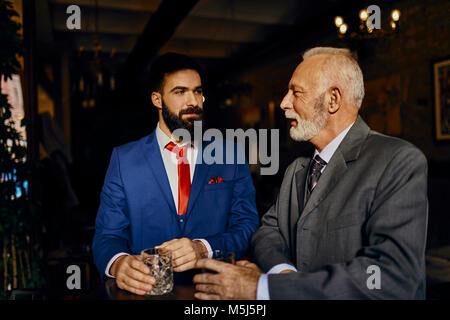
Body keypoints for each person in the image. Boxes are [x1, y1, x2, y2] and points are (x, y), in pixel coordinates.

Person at [194, 47, 428, 300]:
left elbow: (390, 276)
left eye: (296, 92)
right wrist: (283, 272)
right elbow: (267, 233)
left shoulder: (397, 161)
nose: (284, 103)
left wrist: (264, 288)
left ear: (333, 100)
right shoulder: (298, 168)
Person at [92, 52, 259, 295]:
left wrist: (204, 247)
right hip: (148, 294)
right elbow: (107, 235)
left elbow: (247, 226)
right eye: (180, 92)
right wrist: (118, 264)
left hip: (214, 295)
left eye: (198, 91)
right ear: (157, 99)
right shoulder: (124, 159)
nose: (193, 101)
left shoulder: (230, 153)